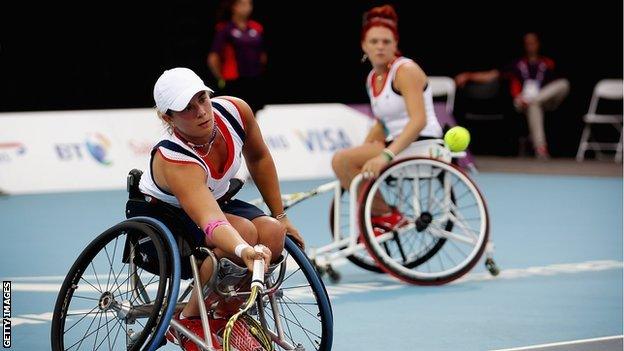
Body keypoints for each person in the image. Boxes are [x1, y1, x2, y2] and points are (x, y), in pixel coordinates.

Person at [138, 67, 303, 350]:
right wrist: (244, 250)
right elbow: (211, 222)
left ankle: (227, 312)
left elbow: (260, 157)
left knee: (274, 233)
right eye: (187, 108)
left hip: (216, 200)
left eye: (202, 98)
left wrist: (281, 216)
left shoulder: (235, 111)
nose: (201, 111)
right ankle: (190, 319)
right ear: (168, 118)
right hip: (166, 215)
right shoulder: (175, 158)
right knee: (245, 233)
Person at [331, 4, 443, 228]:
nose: (380, 47)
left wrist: (385, 156)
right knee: (347, 162)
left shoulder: (405, 70)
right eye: (374, 42)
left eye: (386, 42)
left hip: (421, 142)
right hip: (397, 142)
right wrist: (361, 151)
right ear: (364, 45)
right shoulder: (373, 77)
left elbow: (418, 120)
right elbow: (382, 122)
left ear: (395, 45)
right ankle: (379, 215)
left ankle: (386, 216)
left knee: (341, 160)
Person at [455, 32, 570, 159]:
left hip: (543, 100)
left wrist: (533, 99)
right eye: (527, 43)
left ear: (538, 44)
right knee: (533, 106)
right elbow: (491, 75)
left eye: (533, 43)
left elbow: (555, 86)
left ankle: (533, 101)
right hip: (521, 101)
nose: (530, 46)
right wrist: (468, 75)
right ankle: (540, 148)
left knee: (563, 84)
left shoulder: (548, 63)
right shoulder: (517, 64)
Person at [207, 0, 267, 113]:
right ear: (234, 7)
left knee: (253, 111)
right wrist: (220, 78)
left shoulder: (257, 28)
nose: (247, 7)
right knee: (236, 113)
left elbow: (262, 55)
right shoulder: (224, 29)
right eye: (243, 4)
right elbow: (213, 57)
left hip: (253, 79)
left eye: (249, 4)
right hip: (233, 81)